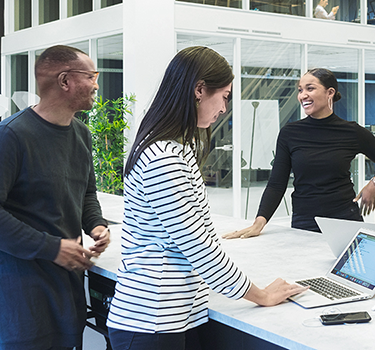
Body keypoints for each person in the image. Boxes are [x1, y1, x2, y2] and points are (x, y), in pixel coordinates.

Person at [106, 46, 305, 349]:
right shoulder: (163, 157)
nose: (224, 107)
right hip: (153, 320)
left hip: (176, 316)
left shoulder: (176, 148)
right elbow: (198, 247)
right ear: (199, 90)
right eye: (224, 96)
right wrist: (260, 294)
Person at [0, 45, 111, 350]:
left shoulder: (81, 134)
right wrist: (51, 247)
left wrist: (95, 224)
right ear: (65, 80)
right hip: (18, 298)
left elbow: (86, 192)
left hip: (65, 292)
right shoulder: (9, 137)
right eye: (91, 75)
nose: (97, 83)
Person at [224, 68, 375, 237]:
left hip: (345, 219)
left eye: (310, 88)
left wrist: (374, 183)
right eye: (300, 90)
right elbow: (276, 184)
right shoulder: (290, 133)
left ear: (330, 92)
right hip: (304, 220)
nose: (302, 95)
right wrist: (259, 222)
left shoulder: (352, 131)